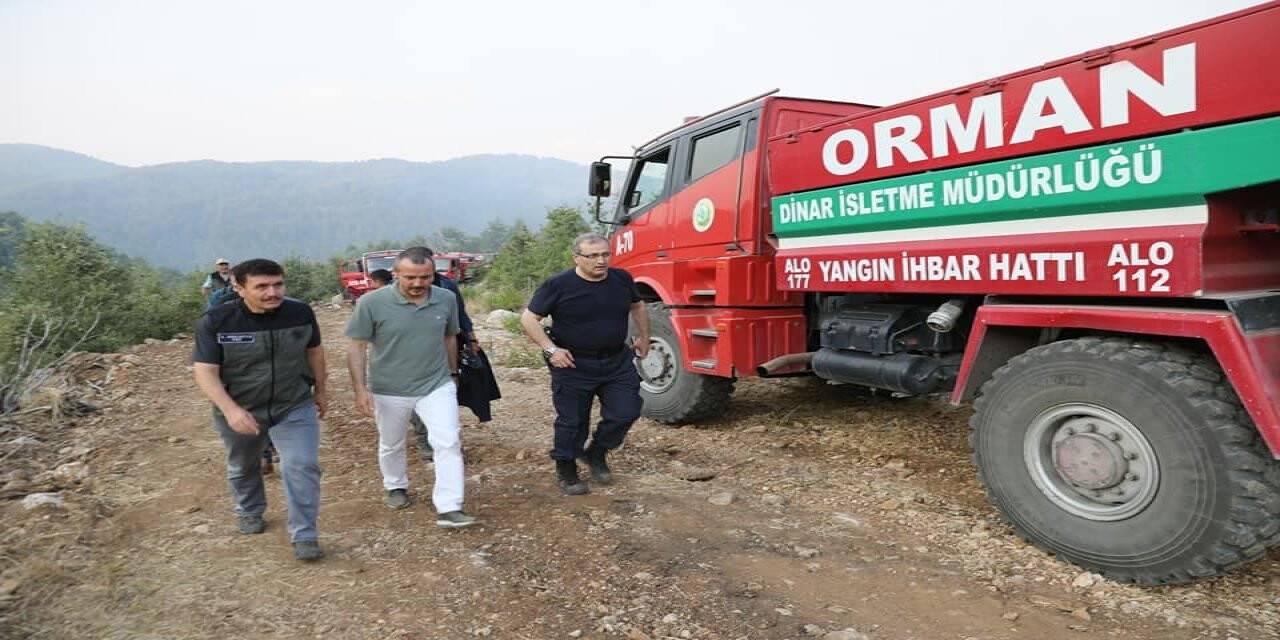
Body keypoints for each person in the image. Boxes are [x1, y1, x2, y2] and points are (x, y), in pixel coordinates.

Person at [192, 259, 328, 561]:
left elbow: (314, 352)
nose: (272, 292)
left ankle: (304, 535)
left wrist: (320, 390)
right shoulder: (216, 321)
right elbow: (205, 372)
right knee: (243, 464)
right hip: (241, 407)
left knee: (302, 465)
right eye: (262, 286)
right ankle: (249, 509)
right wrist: (230, 410)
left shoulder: (300, 313)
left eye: (278, 284)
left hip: (292, 404)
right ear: (239, 288)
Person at [344, 246, 478, 527]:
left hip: (436, 383)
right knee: (392, 443)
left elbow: (450, 337)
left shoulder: (446, 299)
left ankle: (450, 506)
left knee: (448, 442)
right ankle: (395, 486)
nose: (418, 284)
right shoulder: (371, 303)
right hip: (389, 388)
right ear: (396, 275)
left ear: (434, 275)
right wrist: (360, 389)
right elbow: (356, 347)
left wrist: (452, 374)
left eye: (425, 277)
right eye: (410, 278)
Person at [520, 233, 649, 495]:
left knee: (626, 411)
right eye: (592, 256)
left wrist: (645, 337)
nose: (601, 261)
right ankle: (566, 469)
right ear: (576, 257)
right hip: (572, 364)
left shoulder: (621, 279)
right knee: (572, 421)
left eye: (605, 254)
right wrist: (551, 349)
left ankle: (596, 452)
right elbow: (528, 319)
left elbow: (638, 306)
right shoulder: (558, 284)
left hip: (616, 360)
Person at [412, 247, 481, 462]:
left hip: (445, 345)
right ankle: (424, 439)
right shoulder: (396, 290)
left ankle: (447, 443)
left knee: (445, 394)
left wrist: (471, 339)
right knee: (416, 395)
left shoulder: (447, 286)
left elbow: (460, 314)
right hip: (412, 352)